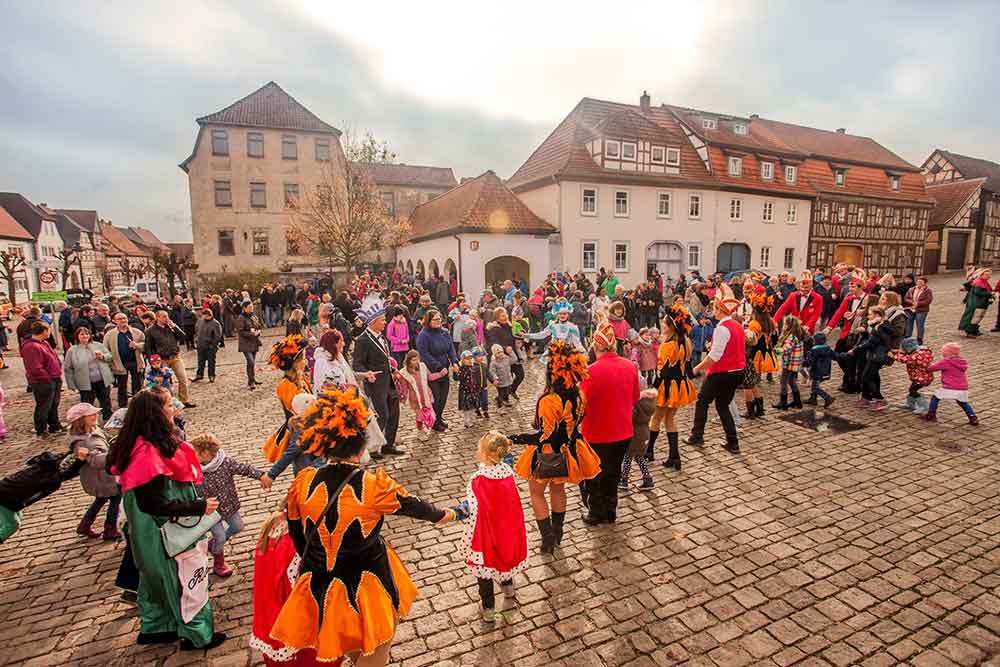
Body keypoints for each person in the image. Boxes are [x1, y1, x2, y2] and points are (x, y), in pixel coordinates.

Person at [268, 387, 461, 666]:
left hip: (320, 583)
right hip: (367, 584)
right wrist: (453, 514)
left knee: (353, 647)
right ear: (361, 446)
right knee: (377, 648)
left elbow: (300, 539)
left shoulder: (303, 483)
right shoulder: (373, 487)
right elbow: (423, 510)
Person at [106, 387, 226, 650]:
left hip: (147, 530)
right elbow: (156, 504)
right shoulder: (148, 453)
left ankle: (158, 626)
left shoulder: (137, 443)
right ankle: (197, 634)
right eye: (169, 405)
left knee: (155, 578)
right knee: (185, 576)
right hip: (166, 528)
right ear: (156, 413)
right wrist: (198, 506)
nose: (174, 409)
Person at [510, 341, 601, 553]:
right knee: (558, 488)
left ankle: (548, 538)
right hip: (568, 451)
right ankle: (557, 533)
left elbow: (545, 436)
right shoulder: (579, 396)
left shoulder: (549, 400)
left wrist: (516, 438)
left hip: (547, 454)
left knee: (536, 493)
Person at [459, 431, 528, 622]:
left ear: (486, 455)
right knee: (503, 557)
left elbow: (472, 507)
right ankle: (508, 588)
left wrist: (457, 513)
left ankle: (488, 608)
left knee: (485, 567)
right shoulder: (508, 472)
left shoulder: (478, 479)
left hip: (487, 531)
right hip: (507, 527)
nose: (476, 452)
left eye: (478, 449)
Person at [578, 321, 639, 525]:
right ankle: (610, 511)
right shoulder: (630, 366)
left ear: (596, 348)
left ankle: (596, 512)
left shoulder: (591, 372)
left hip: (597, 432)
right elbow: (634, 398)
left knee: (594, 474)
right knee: (613, 472)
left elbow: (580, 405)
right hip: (623, 431)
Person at [192, 433, 267, 578]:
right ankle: (219, 564)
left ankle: (213, 545)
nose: (191, 455)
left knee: (238, 526)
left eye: (194, 452)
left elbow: (244, 469)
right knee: (219, 537)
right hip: (210, 511)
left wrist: (261, 475)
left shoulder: (225, 462)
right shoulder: (193, 469)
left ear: (205, 453)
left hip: (229, 505)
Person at [686, 297, 746, 453]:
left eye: (715, 309)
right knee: (722, 405)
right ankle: (733, 443)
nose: (713, 312)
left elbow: (715, 356)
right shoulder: (737, 325)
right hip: (737, 371)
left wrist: (696, 368)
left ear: (721, 310)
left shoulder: (721, 328)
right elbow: (730, 347)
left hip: (722, 373)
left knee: (702, 401)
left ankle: (697, 435)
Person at [646, 304, 697, 470]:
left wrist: (653, 389)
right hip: (680, 385)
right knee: (669, 419)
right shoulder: (685, 342)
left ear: (671, 327)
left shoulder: (668, 346)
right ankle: (674, 457)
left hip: (667, 386)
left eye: (664, 324)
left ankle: (650, 452)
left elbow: (663, 372)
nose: (662, 325)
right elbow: (688, 368)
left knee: (657, 418)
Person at [352, 299, 404, 457]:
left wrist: (393, 369)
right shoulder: (362, 340)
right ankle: (373, 447)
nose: (385, 322)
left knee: (394, 413)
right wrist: (367, 374)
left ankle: (389, 443)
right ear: (373, 322)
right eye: (382, 320)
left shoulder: (382, 336)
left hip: (389, 382)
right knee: (382, 415)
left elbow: (385, 359)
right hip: (375, 385)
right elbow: (357, 364)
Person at [67, 402, 121, 540]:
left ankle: (84, 525)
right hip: (100, 477)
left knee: (101, 500)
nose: (95, 415)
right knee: (115, 499)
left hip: (104, 476)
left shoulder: (94, 429)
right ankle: (110, 528)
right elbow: (96, 461)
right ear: (81, 420)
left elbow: (108, 440)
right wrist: (115, 456)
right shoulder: (81, 442)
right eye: (91, 414)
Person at [263, 336, 312, 464]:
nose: (305, 361)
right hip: (300, 435)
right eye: (303, 359)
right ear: (294, 363)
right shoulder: (285, 385)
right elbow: (299, 411)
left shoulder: (303, 379)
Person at [416, 309, 459, 432]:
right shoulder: (423, 335)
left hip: (444, 369)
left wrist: (454, 361)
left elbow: (451, 349)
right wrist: (438, 367)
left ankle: (439, 418)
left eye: (439, 318)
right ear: (428, 321)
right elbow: (424, 354)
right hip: (432, 371)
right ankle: (434, 421)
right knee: (436, 398)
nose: (438, 321)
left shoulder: (445, 332)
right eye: (435, 319)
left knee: (444, 397)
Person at [144, 310, 195, 407]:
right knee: (164, 382)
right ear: (157, 318)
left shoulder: (171, 327)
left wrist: (175, 327)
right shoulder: (151, 330)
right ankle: (167, 402)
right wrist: (153, 362)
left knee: (183, 379)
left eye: (167, 316)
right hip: (161, 359)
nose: (166, 318)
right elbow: (148, 347)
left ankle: (184, 400)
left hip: (175, 357)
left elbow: (184, 338)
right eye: (164, 316)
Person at [22, 321, 64, 436]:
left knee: (53, 404)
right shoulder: (31, 346)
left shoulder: (44, 343)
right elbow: (35, 368)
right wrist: (48, 379)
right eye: (49, 329)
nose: (50, 331)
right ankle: (41, 429)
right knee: (44, 406)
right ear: (44, 331)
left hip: (54, 378)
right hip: (42, 382)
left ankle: (54, 426)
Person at [63, 327, 115, 421]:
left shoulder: (98, 345)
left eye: (87, 334)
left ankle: (108, 418)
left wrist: (102, 356)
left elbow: (110, 357)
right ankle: (87, 420)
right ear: (77, 336)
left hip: (102, 379)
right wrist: (71, 384)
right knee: (87, 402)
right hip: (85, 382)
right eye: (82, 334)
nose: (85, 336)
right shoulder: (72, 350)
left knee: (105, 400)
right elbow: (68, 368)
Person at [849, 306, 893, 410]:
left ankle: (880, 399)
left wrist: (855, 350)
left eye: (870, 314)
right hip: (873, 355)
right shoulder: (878, 325)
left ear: (877, 315)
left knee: (866, 377)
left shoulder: (879, 327)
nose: (868, 316)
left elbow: (871, 342)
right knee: (873, 377)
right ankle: (868, 398)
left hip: (876, 356)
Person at [923, 342, 977, 425]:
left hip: (949, 387)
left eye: (943, 352)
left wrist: (927, 365)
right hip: (963, 388)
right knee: (963, 402)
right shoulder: (962, 361)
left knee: (935, 398)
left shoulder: (946, 361)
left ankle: (931, 414)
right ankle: (972, 417)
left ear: (947, 353)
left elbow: (931, 368)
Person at [104, 312, 145, 408]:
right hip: (119, 363)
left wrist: (137, 345)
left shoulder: (136, 332)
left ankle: (138, 405)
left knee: (138, 385)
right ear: (114, 321)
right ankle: (122, 406)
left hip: (135, 362)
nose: (123, 320)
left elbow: (146, 345)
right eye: (120, 319)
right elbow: (105, 349)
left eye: (124, 318)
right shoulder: (110, 335)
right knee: (122, 386)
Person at [620, 387, 656, 491]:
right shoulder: (649, 403)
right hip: (644, 432)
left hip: (634, 434)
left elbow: (630, 416)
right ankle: (647, 479)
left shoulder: (637, 404)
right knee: (639, 456)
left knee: (628, 456)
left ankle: (624, 479)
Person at [395, 350, 436, 441]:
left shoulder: (422, 367)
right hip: (415, 399)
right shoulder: (404, 373)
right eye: (413, 360)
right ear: (408, 361)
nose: (416, 361)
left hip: (426, 396)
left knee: (427, 414)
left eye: (417, 359)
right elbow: (404, 389)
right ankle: (420, 431)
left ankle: (423, 428)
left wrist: (441, 374)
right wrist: (402, 399)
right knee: (419, 416)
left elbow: (430, 377)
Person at [889, 337, 934, 414]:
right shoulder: (920, 351)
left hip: (922, 378)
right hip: (921, 377)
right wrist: (898, 351)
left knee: (913, 390)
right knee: (912, 390)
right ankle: (910, 404)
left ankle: (924, 406)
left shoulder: (916, 355)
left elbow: (905, 359)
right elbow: (908, 354)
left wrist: (893, 356)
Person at [773, 316, 806, 410]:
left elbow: (786, 349)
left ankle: (783, 403)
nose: (783, 325)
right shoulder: (798, 334)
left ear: (788, 325)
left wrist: (776, 350)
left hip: (789, 363)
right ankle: (797, 401)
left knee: (783, 381)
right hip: (796, 363)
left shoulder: (791, 336)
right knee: (791, 381)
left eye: (785, 324)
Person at [802, 332, 842, 407]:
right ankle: (813, 399)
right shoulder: (828, 348)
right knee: (814, 384)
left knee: (815, 387)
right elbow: (836, 356)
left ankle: (827, 398)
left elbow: (809, 362)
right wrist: (846, 355)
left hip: (816, 371)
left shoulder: (814, 350)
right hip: (825, 371)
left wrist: (801, 363)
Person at [958, 268, 993, 337]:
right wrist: (990, 294)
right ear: (981, 274)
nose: (988, 276)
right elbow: (978, 292)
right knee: (974, 317)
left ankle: (974, 330)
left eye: (989, 275)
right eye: (986, 275)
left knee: (978, 317)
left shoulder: (984, 281)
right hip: (976, 303)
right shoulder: (979, 282)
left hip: (981, 303)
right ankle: (969, 331)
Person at [192, 308, 223, 383]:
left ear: (209, 315)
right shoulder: (200, 321)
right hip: (200, 345)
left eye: (204, 316)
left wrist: (213, 345)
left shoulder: (215, 323)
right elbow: (196, 331)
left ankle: (211, 375)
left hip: (210, 347)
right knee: (200, 361)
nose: (203, 317)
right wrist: (196, 340)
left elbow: (218, 336)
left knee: (211, 362)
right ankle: (199, 375)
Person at [238, 300, 263, 390]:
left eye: (252, 307)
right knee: (251, 362)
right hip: (245, 344)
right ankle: (251, 381)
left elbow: (259, 326)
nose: (251, 309)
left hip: (254, 343)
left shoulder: (254, 316)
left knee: (251, 363)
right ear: (244, 308)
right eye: (250, 307)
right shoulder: (241, 318)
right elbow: (241, 332)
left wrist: (258, 331)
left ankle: (252, 379)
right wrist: (251, 333)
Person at [903, 276, 933, 344]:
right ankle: (908, 336)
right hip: (910, 309)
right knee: (908, 323)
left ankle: (919, 338)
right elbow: (906, 298)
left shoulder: (928, 291)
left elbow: (928, 300)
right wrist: (912, 302)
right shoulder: (911, 289)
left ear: (925, 283)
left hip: (921, 310)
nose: (919, 283)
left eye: (921, 282)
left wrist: (918, 304)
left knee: (920, 324)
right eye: (918, 281)